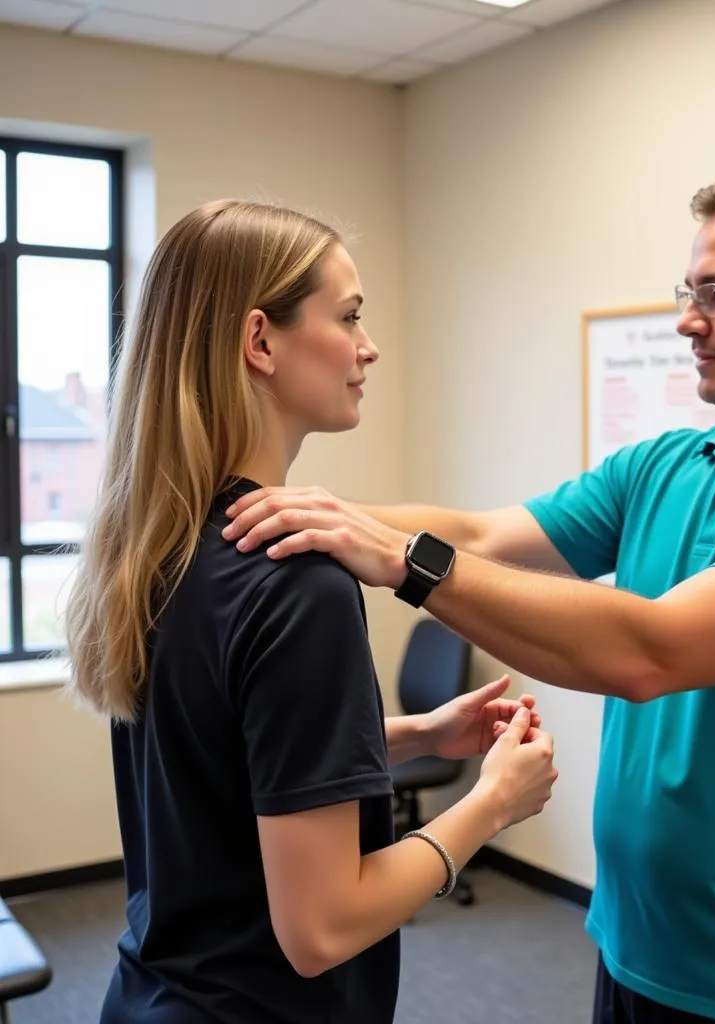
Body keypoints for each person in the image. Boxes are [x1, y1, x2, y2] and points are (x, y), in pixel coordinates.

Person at [223, 168, 715, 1024]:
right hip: (635, 954)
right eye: (689, 291)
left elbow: (650, 651)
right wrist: (256, 512)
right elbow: (486, 537)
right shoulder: (667, 466)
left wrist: (404, 563)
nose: (689, 319)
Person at [64, 199, 559, 1024]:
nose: (369, 348)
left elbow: (224, 758)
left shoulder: (160, 546)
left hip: (151, 995)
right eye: (350, 316)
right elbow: (322, 928)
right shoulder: (298, 582)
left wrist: (417, 734)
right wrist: (491, 804)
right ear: (260, 341)